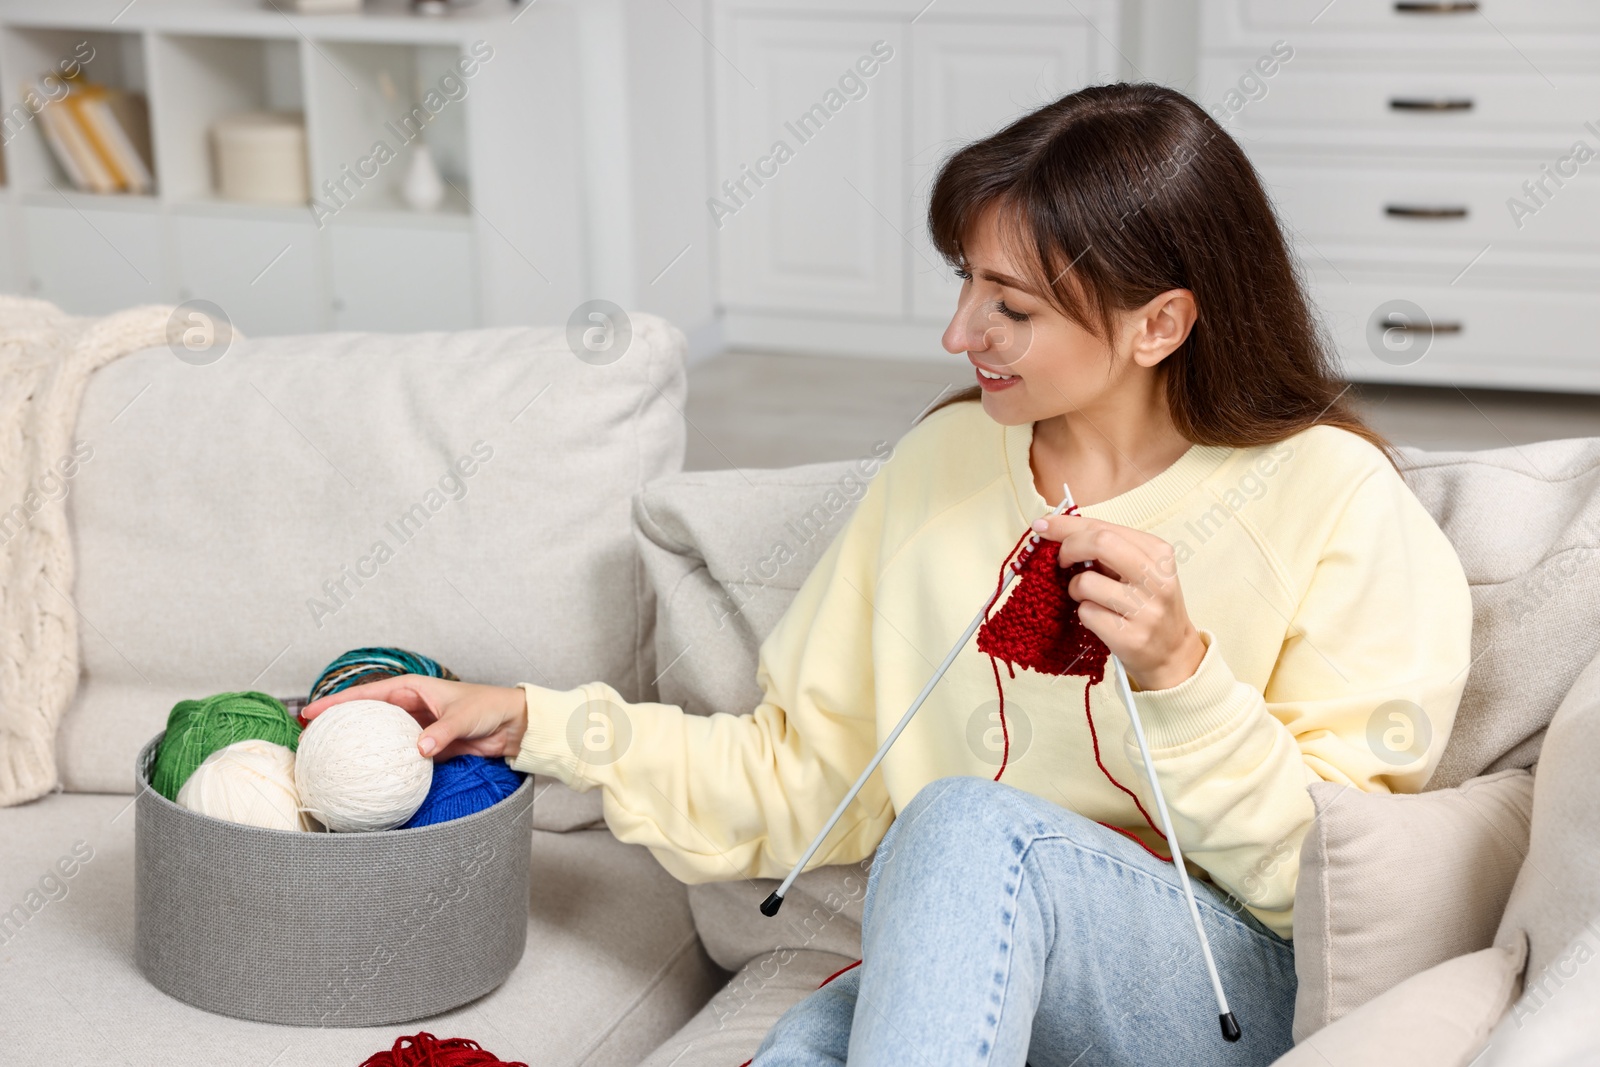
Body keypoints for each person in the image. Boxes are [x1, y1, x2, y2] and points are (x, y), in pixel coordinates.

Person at [302, 83, 1473, 1066]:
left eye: (1008, 306)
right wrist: (523, 720)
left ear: (1158, 324)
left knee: (965, 822)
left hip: (1220, 991)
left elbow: (1323, 883)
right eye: (964, 282)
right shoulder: (941, 467)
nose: (959, 335)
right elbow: (802, 775)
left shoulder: (1330, 496)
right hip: (974, 978)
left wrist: (1180, 674)